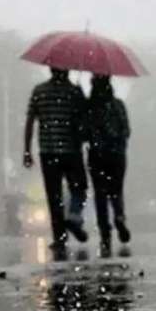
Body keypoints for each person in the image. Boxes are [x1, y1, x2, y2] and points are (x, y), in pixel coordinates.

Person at [23, 67, 88, 250]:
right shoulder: (74, 92)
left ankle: (60, 237)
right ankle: (74, 216)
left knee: (54, 195)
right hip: (71, 151)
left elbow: (30, 121)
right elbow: (84, 120)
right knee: (79, 187)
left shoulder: (39, 91)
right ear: (67, 70)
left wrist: (27, 151)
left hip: (48, 152)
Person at [84, 75, 132, 258]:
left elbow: (83, 133)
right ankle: (119, 217)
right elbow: (126, 130)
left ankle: (105, 231)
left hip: (97, 156)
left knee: (100, 194)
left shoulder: (90, 108)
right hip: (117, 156)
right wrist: (115, 138)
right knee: (116, 190)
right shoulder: (118, 105)